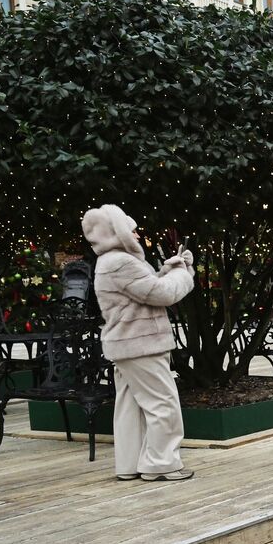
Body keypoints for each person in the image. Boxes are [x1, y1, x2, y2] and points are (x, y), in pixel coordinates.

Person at [81, 204, 196, 482]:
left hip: (126, 345)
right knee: (163, 404)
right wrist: (183, 273)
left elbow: (141, 292)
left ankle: (129, 464)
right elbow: (161, 294)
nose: (135, 234)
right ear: (117, 232)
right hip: (141, 345)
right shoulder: (121, 261)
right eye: (130, 229)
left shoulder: (110, 261)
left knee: (130, 408)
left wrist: (169, 269)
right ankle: (162, 463)